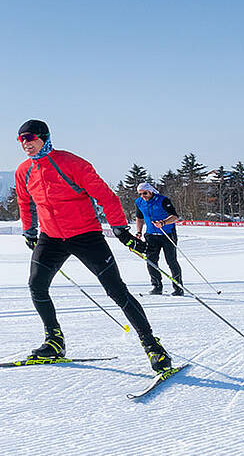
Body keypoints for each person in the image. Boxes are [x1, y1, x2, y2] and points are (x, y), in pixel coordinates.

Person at [14, 119, 170, 372]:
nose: (26, 144)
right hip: (51, 237)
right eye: (21, 140)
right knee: (37, 285)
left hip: (86, 235)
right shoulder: (24, 171)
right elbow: (24, 202)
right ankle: (54, 342)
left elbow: (106, 197)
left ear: (44, 137)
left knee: (117, 291)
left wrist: (120, 229)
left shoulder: (71, 163)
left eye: (30, 138)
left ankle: (152, 346)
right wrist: (29, 230)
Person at [132, 182, 186, 296]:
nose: (143, 196)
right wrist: (138, 232)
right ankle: (157, 286)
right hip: (151, 235)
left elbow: (175, 217)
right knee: (151, 261)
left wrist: (163, 223)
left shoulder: (163, 200)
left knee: (171, 261)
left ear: (150, 191)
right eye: (140, 194)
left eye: (145, 193)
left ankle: (178, 287)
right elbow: (139, 218)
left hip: (167, 234)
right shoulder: (139, 202)